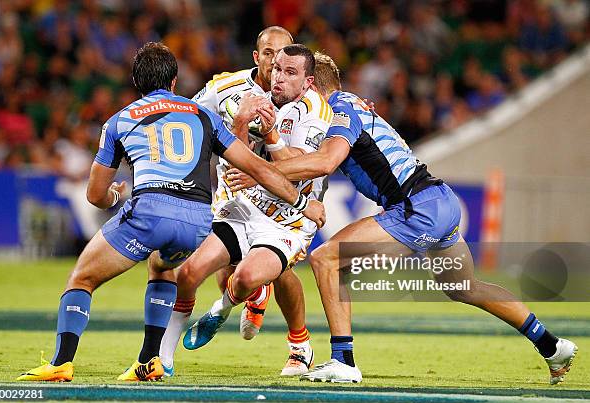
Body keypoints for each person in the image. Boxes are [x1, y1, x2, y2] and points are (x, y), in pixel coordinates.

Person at [227, 52, 577, 384]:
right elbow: (303, 165)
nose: (282, 83)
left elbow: (324, 163)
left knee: (326, 258)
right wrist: (271, 151)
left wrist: (258, 169)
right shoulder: (349, 106)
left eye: (292, 76)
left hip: (416, 206)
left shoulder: (340, 110)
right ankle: (552, 346)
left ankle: (344, 361)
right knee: (465, 287)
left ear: (310, 85)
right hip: (437, 199)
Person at [16, 42, 325, 382]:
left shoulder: (119, 120)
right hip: (196, 220)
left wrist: (113, 198)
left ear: (136, 82)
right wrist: (302, 202)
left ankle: (61, 361)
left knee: (82, 278)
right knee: (162, 265)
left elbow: (94, 194)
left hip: (150, 212)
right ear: (175, 81)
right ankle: (150, 360)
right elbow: (258, 167)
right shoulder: (203, 115)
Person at [159, 27, 319, 377]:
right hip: (239, 202)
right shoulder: (226, 89)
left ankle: (298, 344)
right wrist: (241, 122)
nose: (276, 65)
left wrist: (265, 157)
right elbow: (190, 119)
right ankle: (162, 359)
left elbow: (306, 165)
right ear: (257, 57)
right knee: (195, 273)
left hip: (287, 214)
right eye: (270, 57)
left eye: (285, 61)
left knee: (269, 274)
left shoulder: (310, 104)